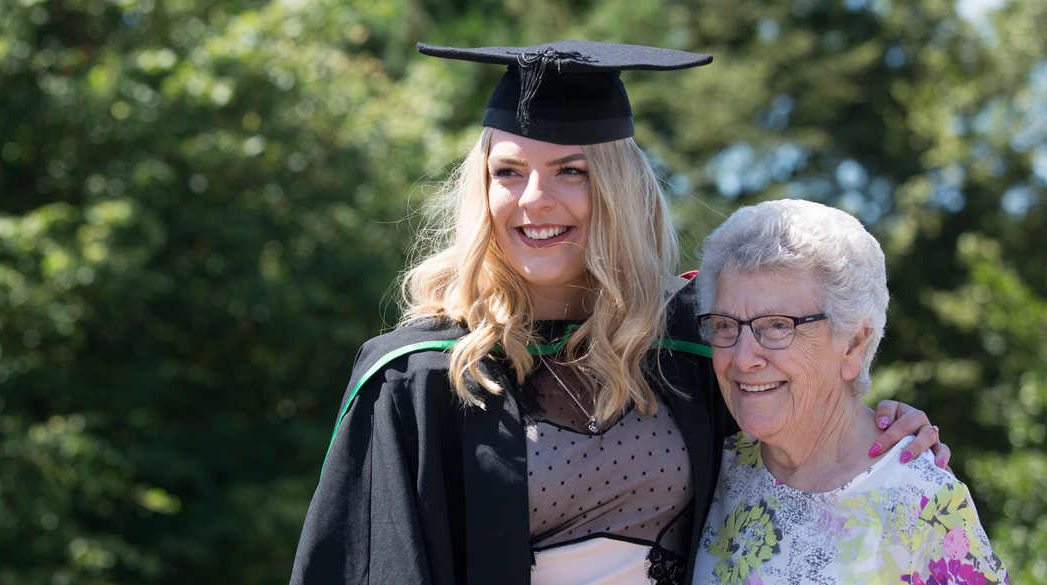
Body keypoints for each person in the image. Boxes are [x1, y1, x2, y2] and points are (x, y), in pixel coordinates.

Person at [289, 41, 948, 585]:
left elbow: (810, 455)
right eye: (509, 172)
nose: (535, 199)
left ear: (618, 188)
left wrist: (887, 431)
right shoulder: (423, 373)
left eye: (571, 171)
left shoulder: (696, 340)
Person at [690, 199, 1007, 585]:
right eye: (725, 325)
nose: (742, 358)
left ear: (853, 345)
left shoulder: (921, 502)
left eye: (777, 326)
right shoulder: (712, 468)